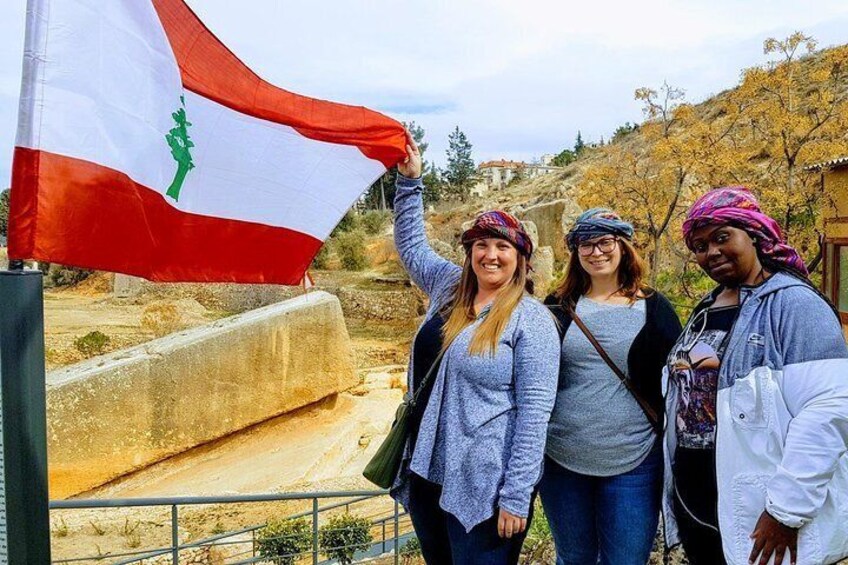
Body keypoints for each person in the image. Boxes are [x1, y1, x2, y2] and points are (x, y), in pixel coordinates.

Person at [389, 132, 560, 565]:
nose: (490, 255)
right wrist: (410, 183)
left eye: (503, 246)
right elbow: (411, 246)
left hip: (484, 485)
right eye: (481, 245)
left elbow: (534, 414)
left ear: (521, 258)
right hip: (428, 468)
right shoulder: (449, 287)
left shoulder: (532, 319)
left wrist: (517, 496)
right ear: (469, 253)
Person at [662, 186, 848, 565]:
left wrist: (786, 511)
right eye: (699, 246)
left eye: (721, 237)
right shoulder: (706, 308)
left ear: (756, 234)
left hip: (764, 505)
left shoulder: (793, 304)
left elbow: (831, 410)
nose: (710, 252)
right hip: (698, 496)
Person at [540, 209, 682, 565]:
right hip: (563, 460)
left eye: (605, 241)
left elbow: (678, 379)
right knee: (574, 559)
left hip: (633, 461)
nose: (596, 251)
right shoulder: (557, 307)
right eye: (585, 244)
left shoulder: (655, 308)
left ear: (622, 246)